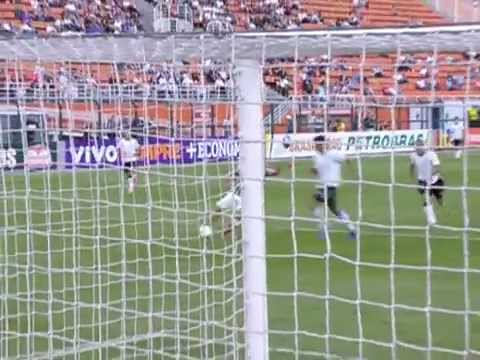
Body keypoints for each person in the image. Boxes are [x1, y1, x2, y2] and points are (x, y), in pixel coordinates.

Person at [312, 135, 356, 240]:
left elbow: (346, 158)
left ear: (322, 144)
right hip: (322, 186)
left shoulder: (333, 153)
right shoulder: (317, 157)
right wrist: (314, 171)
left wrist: (353, 173)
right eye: (315, 145)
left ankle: (324, 229)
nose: (315, 147)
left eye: (317, 145)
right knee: (335, 210)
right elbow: (318, 170)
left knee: (319, 203)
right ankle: (352, 230)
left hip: (331, 186)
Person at [409, 138, 444, 225]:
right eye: (417, 147)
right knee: (426, 198)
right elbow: (412, 165)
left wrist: (431, 176)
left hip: (434, 179)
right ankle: (431, 219)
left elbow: (437, 167)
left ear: (423, 147)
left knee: (439, 197)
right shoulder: (413, 156)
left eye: (420, 147)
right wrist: (412, 177)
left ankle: (438, 199)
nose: (418, 149)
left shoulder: (431, 154)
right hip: (422, 180)